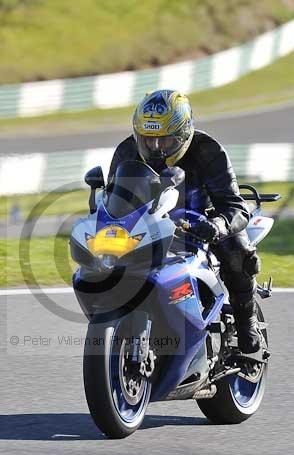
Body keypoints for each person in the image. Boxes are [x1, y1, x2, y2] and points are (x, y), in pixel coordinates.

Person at [108, 89, 262, 354]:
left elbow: (236, 207)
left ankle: (246, 321)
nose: (155, 149)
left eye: (165, 141)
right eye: (148, 141)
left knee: (238, 252)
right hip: (146, 224)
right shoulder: (126, 151)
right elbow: (112, 199)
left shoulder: (209, 151)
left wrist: (218, 226)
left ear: (183, 135)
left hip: (201, 220)